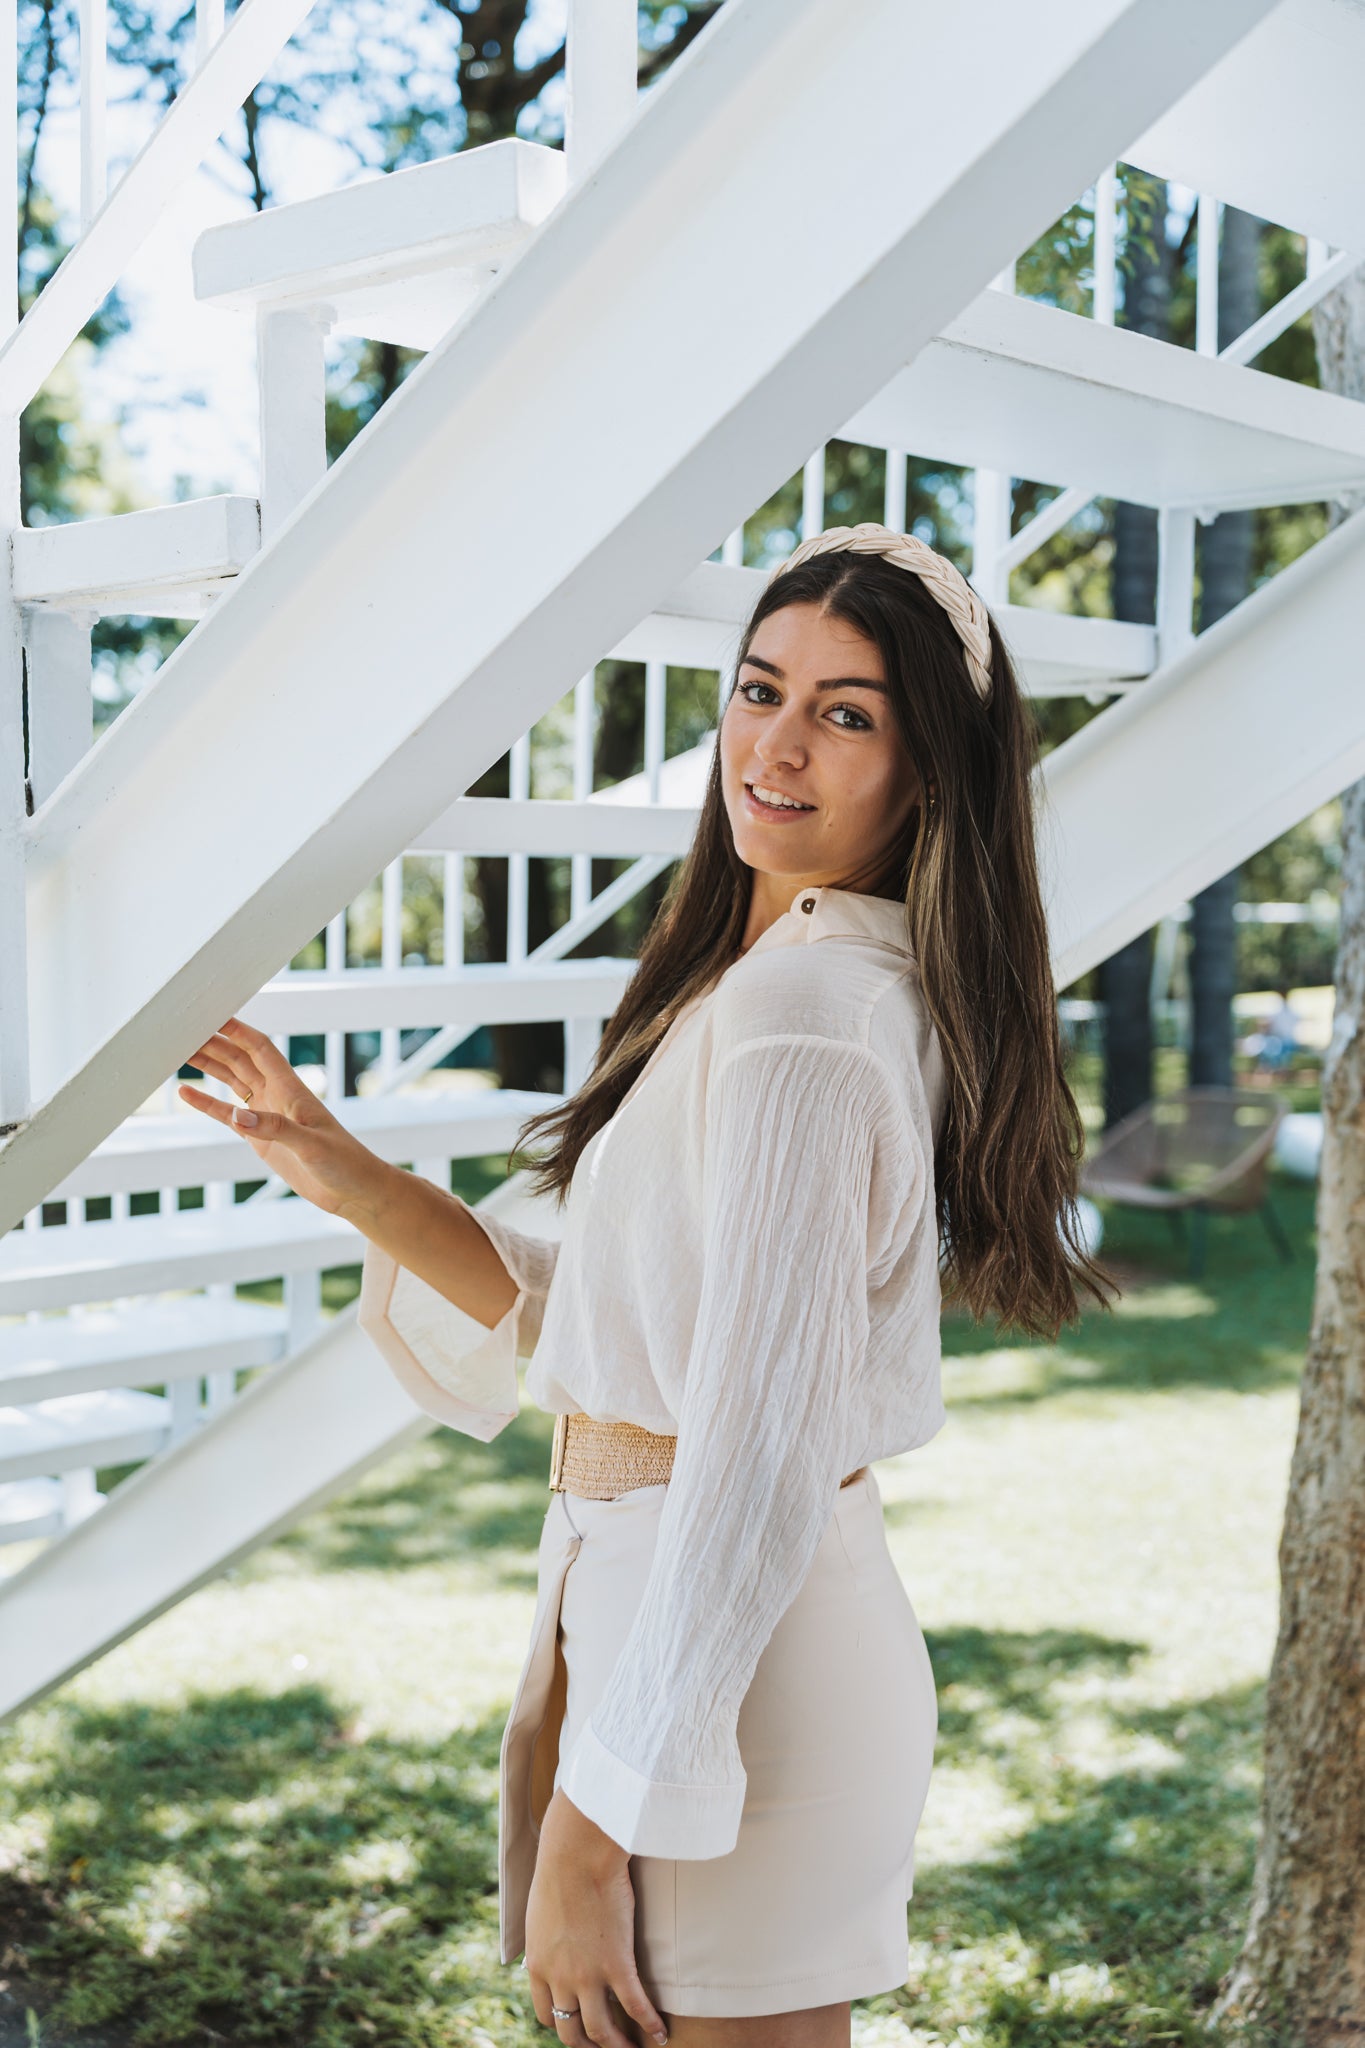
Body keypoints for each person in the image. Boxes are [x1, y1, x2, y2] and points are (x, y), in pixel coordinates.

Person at [178, 522, 1111, 2048]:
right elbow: (619, 1322)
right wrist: (343, 1167)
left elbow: (753, 1451)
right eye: (760, 689)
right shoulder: (770, 985)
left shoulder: (806, 1013)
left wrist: (591, 1833)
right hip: (673, 1620)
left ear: (926, 766)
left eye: (847, 711)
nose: (779, 742)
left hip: (722, 1656)